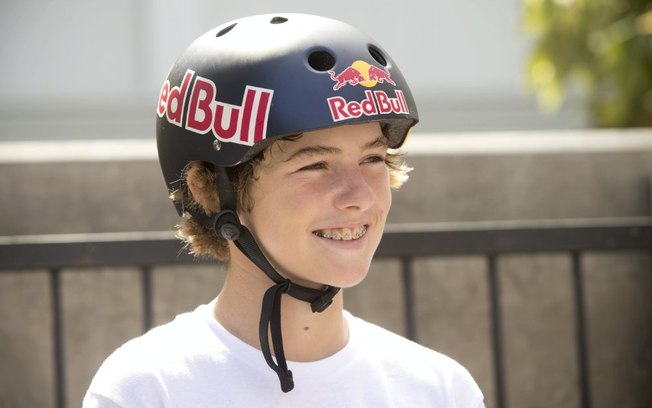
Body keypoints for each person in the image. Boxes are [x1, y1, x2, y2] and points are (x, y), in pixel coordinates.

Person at [83, 13, 484, 407]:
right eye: (315, 165)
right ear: (212, 191)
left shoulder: (440, 390)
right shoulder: (148, 389)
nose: (360, 196)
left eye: (373, 159)